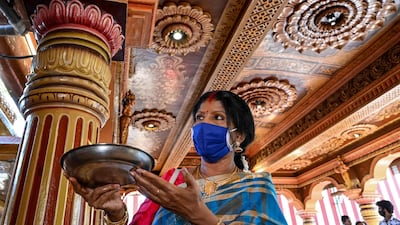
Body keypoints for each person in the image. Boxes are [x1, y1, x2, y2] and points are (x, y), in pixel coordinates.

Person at [68, 90, 288, 225]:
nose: (204, 125)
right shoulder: (173, 182)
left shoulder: (255, 187)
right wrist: (116, 214)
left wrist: (201, 217)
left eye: (218, 117)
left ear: (238, 135)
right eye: (200, 117)